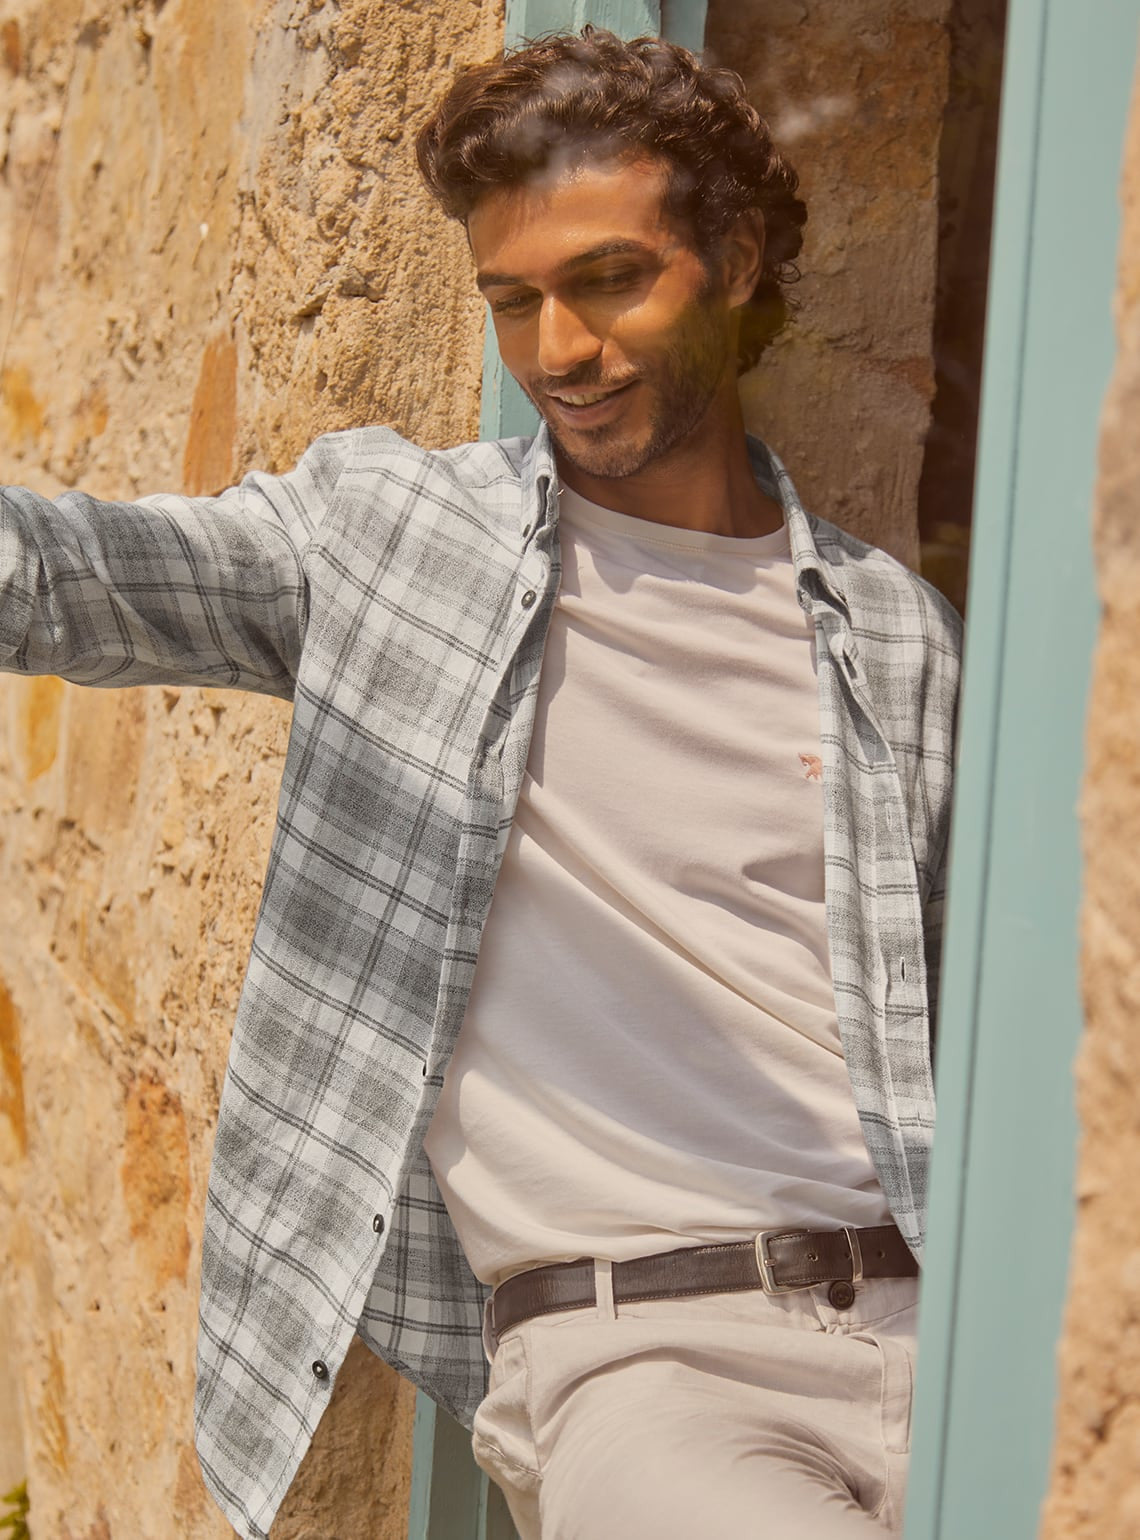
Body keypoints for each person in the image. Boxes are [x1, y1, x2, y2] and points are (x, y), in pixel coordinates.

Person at [0, 26, 961, 1540]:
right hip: (644, 1368)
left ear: (736, 262)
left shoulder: (897, 635)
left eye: (609, 281)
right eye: (513, 301)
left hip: (946, 1329)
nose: (558, 351)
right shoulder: (397, 542)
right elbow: (66, 576)